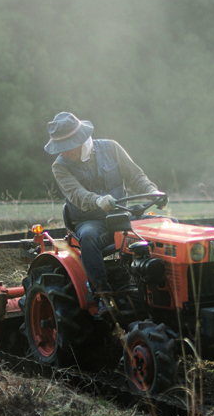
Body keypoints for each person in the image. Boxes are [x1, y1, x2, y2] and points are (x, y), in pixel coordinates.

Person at [45, 111, 165, 313]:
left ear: (80, 139)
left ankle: (162, 283)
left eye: (66, 147)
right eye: (60, 148)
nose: (63, 152)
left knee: (167, 226)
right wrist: (98, 200)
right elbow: (76, 194)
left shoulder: (111, 148)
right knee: (89, 237)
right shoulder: (60, 166)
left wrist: (153, 192)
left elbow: (136, 176)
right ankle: (103, 295)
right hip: (90, 220)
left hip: (122, 216)